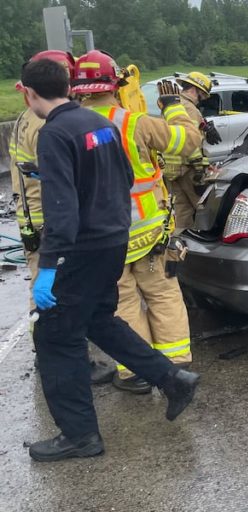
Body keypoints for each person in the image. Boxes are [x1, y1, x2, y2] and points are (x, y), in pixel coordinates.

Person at [20, 58, 199, 462]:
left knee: (56, 338)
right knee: (99, 319)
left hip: (79, 249)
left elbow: (62, 211)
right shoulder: (97, 123)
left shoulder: (54, 134)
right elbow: (119, 178)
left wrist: (47, 269)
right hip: (114, 240)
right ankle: (172, 377)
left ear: (28, 93)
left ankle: (79, 435)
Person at [72, 50, 202, 394]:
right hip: (148, 234)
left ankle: (135, 372)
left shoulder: (69, 127)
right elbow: (187, 143)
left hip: (102, 239)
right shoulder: (134, 123)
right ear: (115, 83)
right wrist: (174, 107)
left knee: (122, 303)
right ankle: (175, 369)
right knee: (162, 294)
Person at [10, 51, 117, 385]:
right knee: (56, 295)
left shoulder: (25, 117)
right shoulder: (50, 124)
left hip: (33, 214)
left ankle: (50, 351)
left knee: (43, 289)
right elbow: (65, 183)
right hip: (54, 222)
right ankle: (64, 358)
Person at [163, 71, 218, 233]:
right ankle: (206, 243)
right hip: (188, 168)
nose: (203, 99)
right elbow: (191, 142)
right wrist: (202, 168)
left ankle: (181, 243)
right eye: (203, 95)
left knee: (182, 210)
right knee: (204, 206)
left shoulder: (173, 105)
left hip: (172, 169)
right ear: (195, 90)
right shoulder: (190, 109)